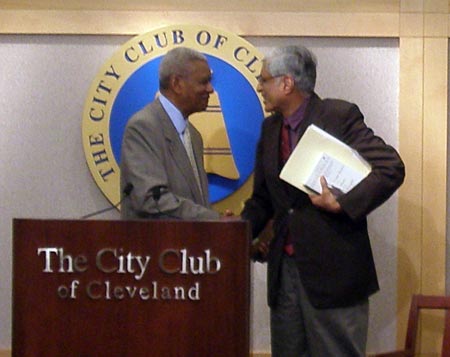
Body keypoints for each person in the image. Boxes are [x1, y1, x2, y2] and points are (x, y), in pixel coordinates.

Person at [241, 45, 405, 356]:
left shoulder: (338, 115)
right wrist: (233, 237)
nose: (260, 86)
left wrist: (343, 202)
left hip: (334, 275)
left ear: (286, 83)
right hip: (284, 274)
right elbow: (262, 199)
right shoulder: (270, 127)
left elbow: (390, 167)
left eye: (264, 79)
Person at [120, 46, 220, 220]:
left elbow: (197, 202)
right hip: (154, 245)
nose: (210, 89)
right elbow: (150, 199)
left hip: (193, 245)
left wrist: (213, 222)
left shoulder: (194, 136)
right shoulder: (143, 126)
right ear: (176, 84)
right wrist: (213, 219)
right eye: (203, 82)